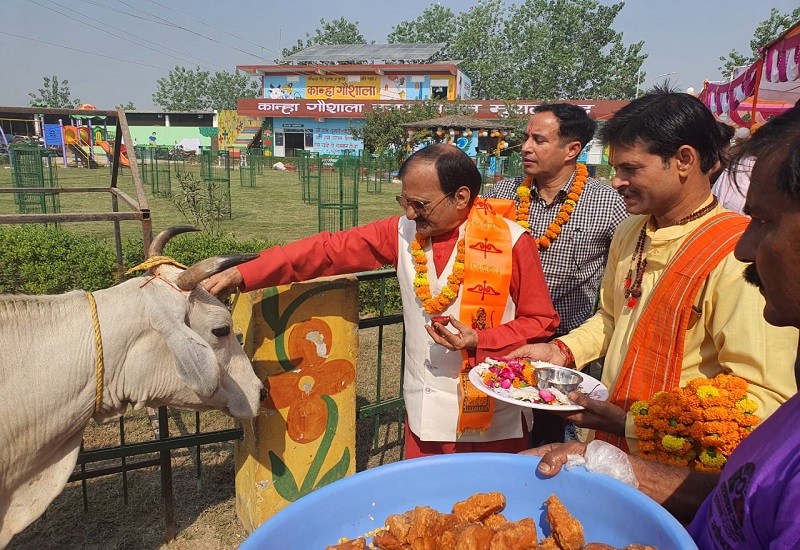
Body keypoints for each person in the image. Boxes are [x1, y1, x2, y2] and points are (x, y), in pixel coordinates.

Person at [524, 104, 800, 548]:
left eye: (631, 169)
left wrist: (634, 424)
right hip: (610, 455)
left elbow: (763, 397)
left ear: (685, 160)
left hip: (685, 484)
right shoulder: (631, 230)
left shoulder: (737, 255)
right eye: (615, 168)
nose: (616, 182)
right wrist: (562, 351)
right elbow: (612, 319)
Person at [203, 143, 559, 458]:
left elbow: (540, 321)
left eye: (420, 204)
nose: (409, 213)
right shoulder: (401, 232)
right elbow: (327, 251)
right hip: (426, 409)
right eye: (404, 201)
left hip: (493, 417)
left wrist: (480, 339)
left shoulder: (512, 241)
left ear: (461, 198)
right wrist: (245, 273)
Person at [485, 102, 628, 445]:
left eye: (539, 139)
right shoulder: (500, 197)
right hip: (505, 343)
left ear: (572, 150)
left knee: (547, 440)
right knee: (497, 432)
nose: (526, 147)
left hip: (564, 350)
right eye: (525, 138)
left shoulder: (608, 203)